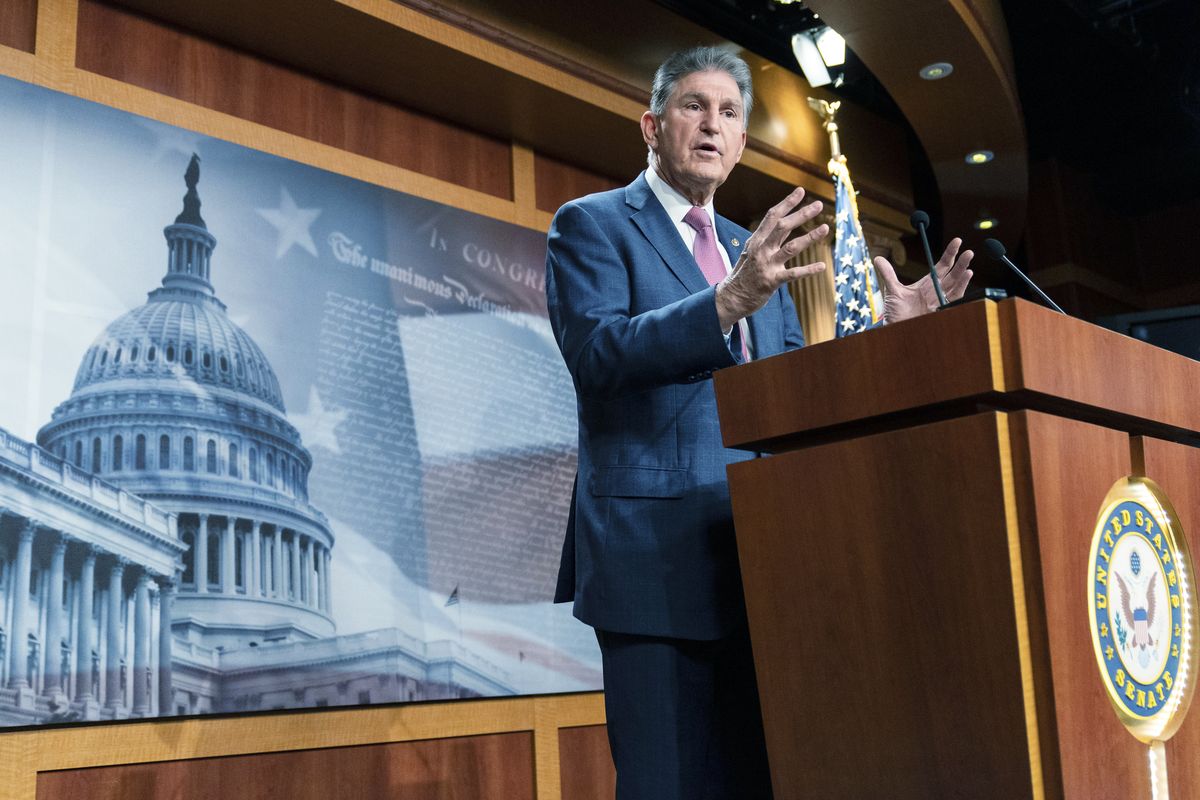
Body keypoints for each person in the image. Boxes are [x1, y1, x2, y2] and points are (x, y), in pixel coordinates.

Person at [546, 46, 973, 799]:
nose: (713, 124)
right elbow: (599, 353)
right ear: (651, 125)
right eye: (693, 106)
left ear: (741, 143)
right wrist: (722, 305)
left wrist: (893, 335)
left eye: (730, 113)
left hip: (767, 563)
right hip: (654, 563)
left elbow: (799, 391)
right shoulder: (593, 226)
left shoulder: (754, 250)